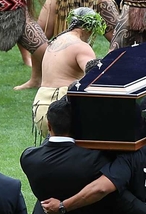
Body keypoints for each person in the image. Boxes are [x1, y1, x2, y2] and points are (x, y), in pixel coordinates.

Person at [31, 8, 105, 138]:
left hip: (40, 107)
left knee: (53, 151)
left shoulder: (54, 42)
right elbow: (92, 70)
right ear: (87, 29)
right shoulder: (81, 47)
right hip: (63, 108)